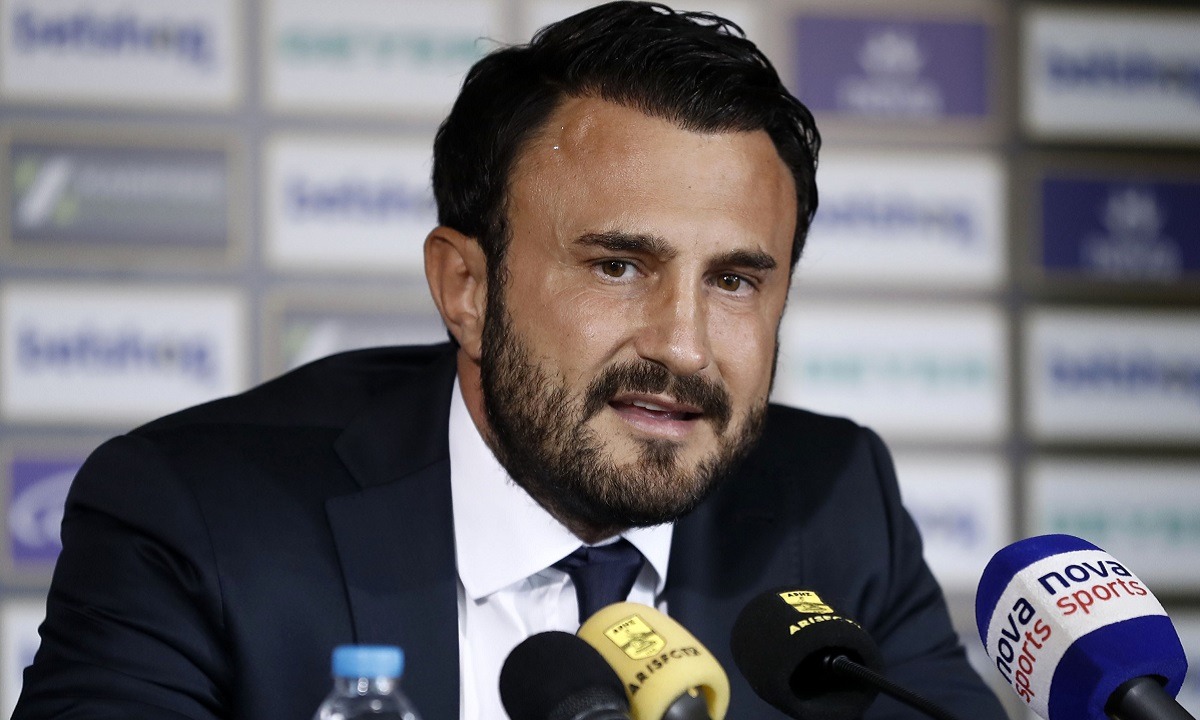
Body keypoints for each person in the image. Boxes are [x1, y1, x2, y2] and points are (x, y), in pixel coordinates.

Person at [14, 3, 1007, 719]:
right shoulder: (197, 514)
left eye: (736, 281)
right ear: (466, 287)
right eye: (618, 266)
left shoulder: (833, 503)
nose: (683, 344)